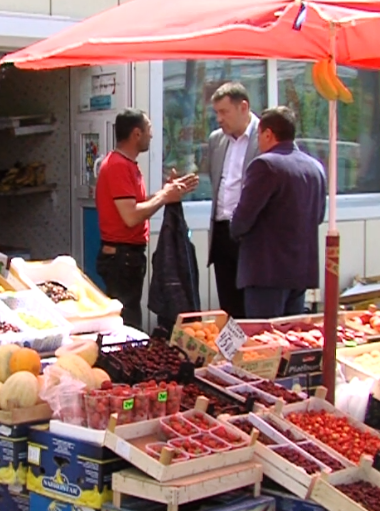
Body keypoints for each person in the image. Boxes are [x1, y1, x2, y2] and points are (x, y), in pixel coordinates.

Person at [95, 108, 199, 328]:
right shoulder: (117, 166)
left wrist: (168, 192)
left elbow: (135, 206)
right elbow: (131, 216)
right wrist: (163, 197)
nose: (152, 135)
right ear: (136, 134)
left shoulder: (128, 165)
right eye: (149, 129)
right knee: (127, 321)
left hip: (128, 257)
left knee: (131, 315)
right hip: (120, 258)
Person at [230, 106, 327, 318]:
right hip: (301, 270)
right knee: (291, 341)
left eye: (259, 136)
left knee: (266, 342)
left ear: (268, 134)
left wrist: (235, 231)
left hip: (267, 272)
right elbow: (318, 216)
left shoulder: (266, 165)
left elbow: (243, 218)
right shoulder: (315, 168)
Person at [199, 82, 260, 318]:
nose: (219, 119)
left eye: (224, 112)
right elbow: (218, 181)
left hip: (250, 232)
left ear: (243, 107)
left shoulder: (263, 136)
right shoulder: (217, 140)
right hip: (222, 231)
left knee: (251, 307)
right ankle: (231, 353)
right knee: (229, 306)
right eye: (216, 113)